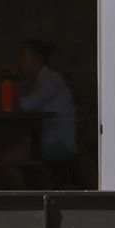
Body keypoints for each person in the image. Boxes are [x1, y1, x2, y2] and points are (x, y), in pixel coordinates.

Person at [17, 39, 76, 172]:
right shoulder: (41, 80)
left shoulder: (50, 80)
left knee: (7, 157)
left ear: (38, 59)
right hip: (47, 140)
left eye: (24, 57)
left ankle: (24, 192)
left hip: (58, 143)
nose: (20, 62)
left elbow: (27, 104)